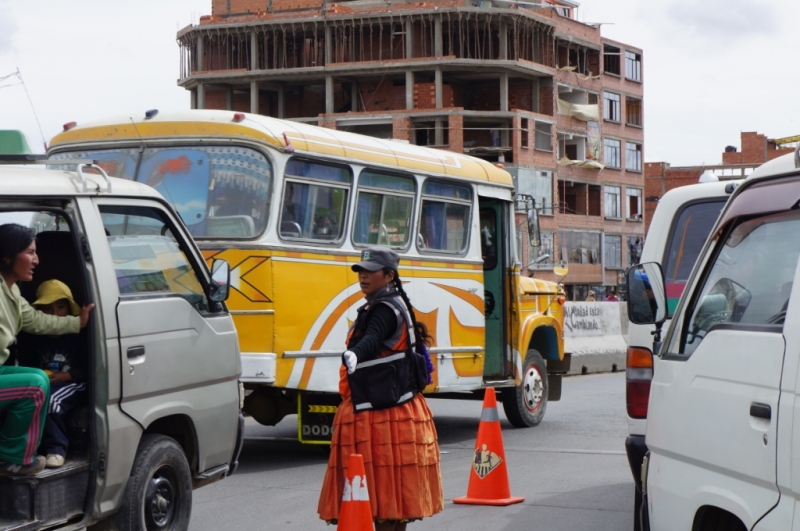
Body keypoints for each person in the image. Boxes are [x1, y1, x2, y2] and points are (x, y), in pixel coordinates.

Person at [318, 247, 443, 530]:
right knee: (393, 499)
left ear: (389, 276)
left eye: (370, 270)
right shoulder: (389, 303)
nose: (363, 276)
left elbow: (373, 337)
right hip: (397, 408)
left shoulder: (385, 309)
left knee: (382, 495)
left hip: (380, 412)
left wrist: (355, 354)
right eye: (361, 270)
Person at [0, 224, 94, 476]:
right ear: (8, 256)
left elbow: (36, 321)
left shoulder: (11, 291)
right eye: (30, 252)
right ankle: (11, 458)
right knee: (34, 385)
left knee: (39, 378)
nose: (36, 260)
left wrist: (77, 323)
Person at [17, 280, 87, 468]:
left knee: (51, 401)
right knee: (30, 399)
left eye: (60, 307)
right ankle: (32, 449)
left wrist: (69, 375)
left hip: (73, 383)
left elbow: (90, 366)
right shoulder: (34, 338)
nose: (55, 314)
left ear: (70, 309)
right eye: (47, 310)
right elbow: (27, 364)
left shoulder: (78, 337)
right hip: (47, 382)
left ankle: (57, 448)